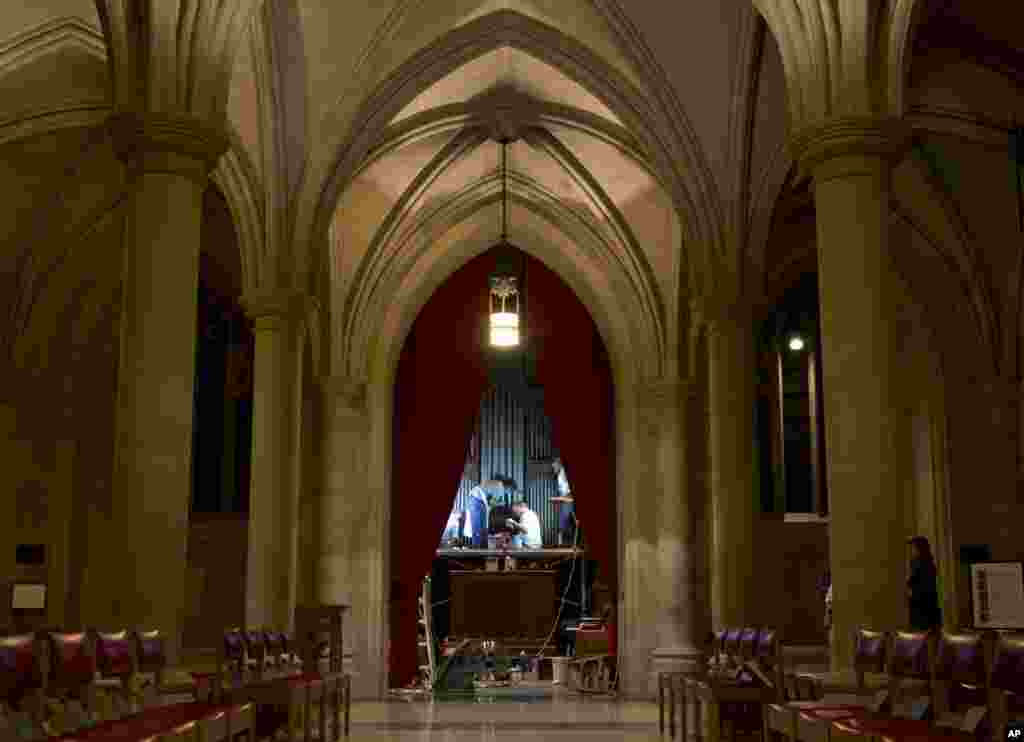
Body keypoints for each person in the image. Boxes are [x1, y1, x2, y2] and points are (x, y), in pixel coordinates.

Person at [907, 535, 942, 631]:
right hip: (923, 607)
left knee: (924, 636)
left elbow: (916, 582)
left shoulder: (922, 563)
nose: (912, 551)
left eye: (913, 548)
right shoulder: (921, 562)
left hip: (924, 608)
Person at [552, 459, 576, 546]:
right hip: (565, 498)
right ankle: (561, 543)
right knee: (563, 520)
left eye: (554, 466)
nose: (553, 469)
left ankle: (563, 543)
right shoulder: (559, 474)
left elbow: (568, 490)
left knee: (565, 520)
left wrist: (561, 498)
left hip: (568, 498)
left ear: (559, 465)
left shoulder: (564, 473)